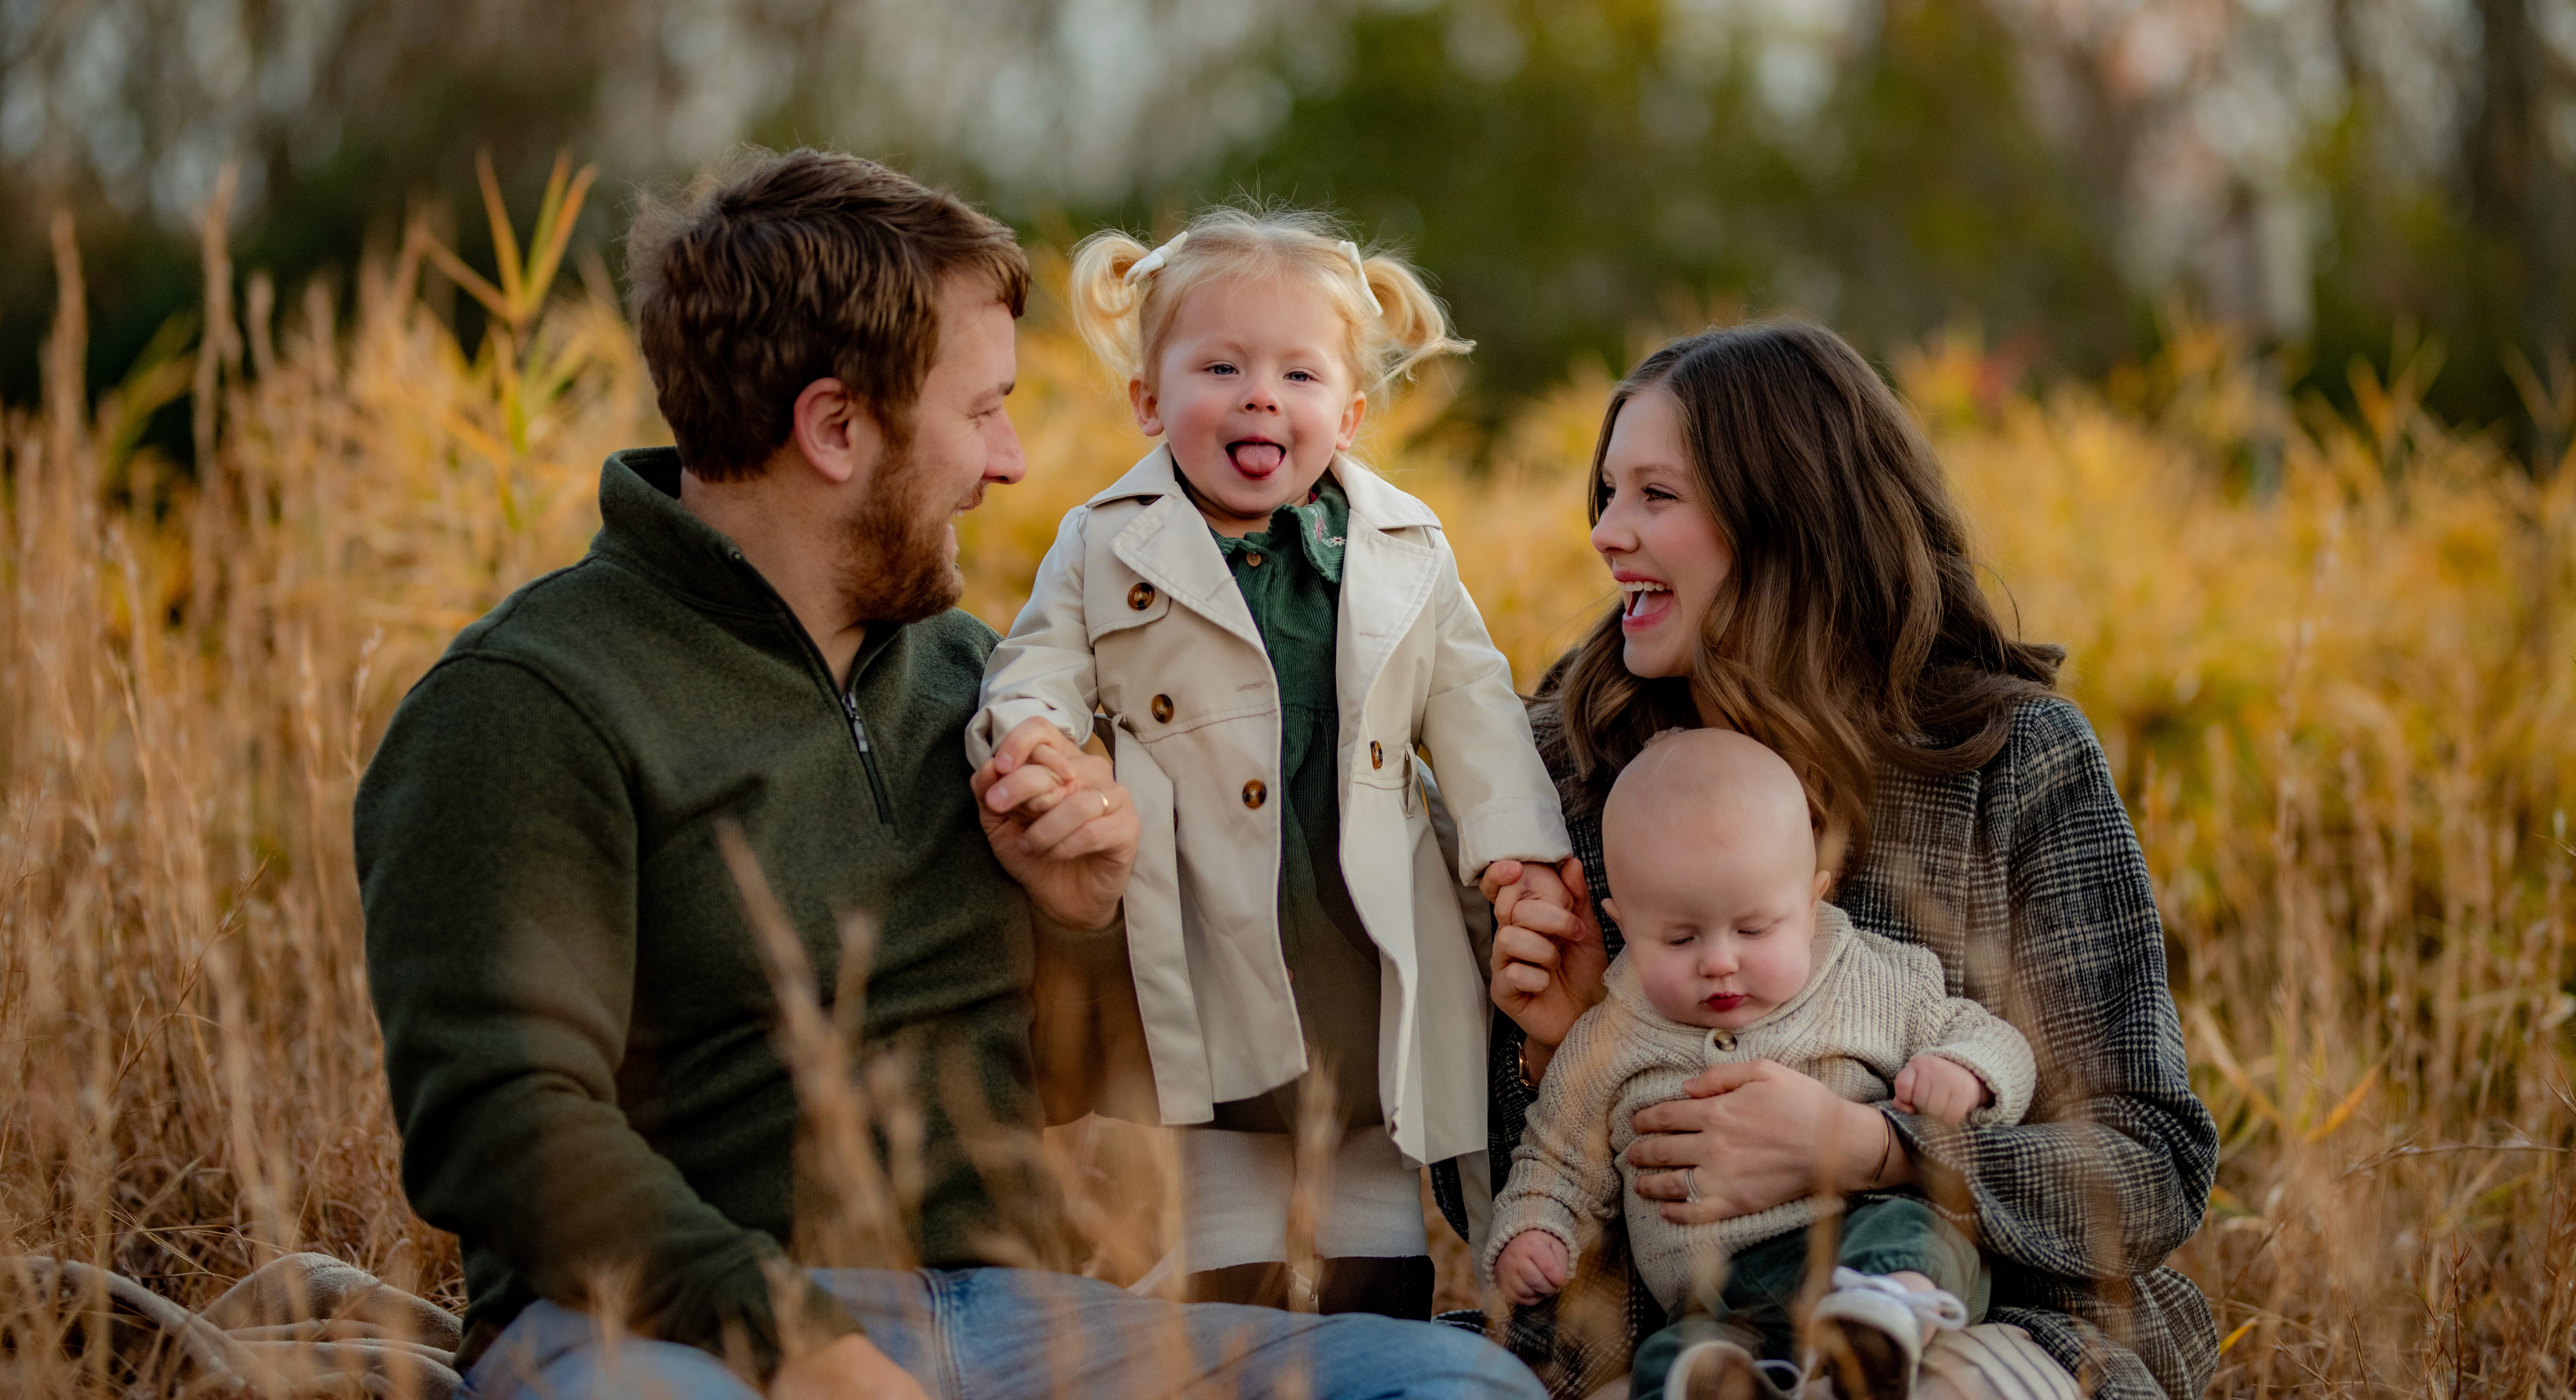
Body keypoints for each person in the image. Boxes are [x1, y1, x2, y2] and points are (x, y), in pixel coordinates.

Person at [354, 149, 1544, 1400]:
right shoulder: (529, 704)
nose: (1016, 461)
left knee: (1462, 1389)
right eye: (982, 413)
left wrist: (1083, 910)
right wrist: (798, 1344)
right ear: (836, 429)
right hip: (673, 1333)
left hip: (1020, 1322)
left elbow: (1079, 1067)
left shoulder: (974, 683)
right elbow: (498, 1121)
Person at [1475, 320, 2218, 1400]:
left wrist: (1876, 1150)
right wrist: (1571, 1042)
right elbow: (1516, 1243)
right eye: (1606, 494)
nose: (1604, 533)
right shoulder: (1570, 768)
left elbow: (2150, 1172)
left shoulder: (2012, 762)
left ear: (1784, 518)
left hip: (1986, 1324)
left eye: (1655, 497)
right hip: (1678, 1344)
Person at [970, 212, 1571, 1319]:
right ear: (1150, 404)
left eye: (1298, 373)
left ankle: (1373, 1322)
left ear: (1342, 417)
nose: (1261, 396)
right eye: (1220, 367)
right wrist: (1034, 738)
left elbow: (1475, 707)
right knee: (1228, 1193)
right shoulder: (1107, 542)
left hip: (1357, 915)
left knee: (1366, 1171)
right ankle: (1225, 1328)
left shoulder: (1403, 549)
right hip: (1208, 911)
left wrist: (1519, 857)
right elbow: (1036, 660)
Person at [1483, 729, 2035, 1400]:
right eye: (1680, 937)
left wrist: (1964, 1071)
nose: (1720, 960)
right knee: (1665, 1356)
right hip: (1715, 1299)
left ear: (1812, 902)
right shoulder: (1609, 1036)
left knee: (1920, 1230)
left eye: (1753, 930)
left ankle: (1881, 1321)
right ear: (1623, 924)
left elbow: (1991, 1037)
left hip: (1854, 1241)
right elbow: (1554, 1156)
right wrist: (1534, 1231)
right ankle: (1719, 1383)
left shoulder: (1874, 979)